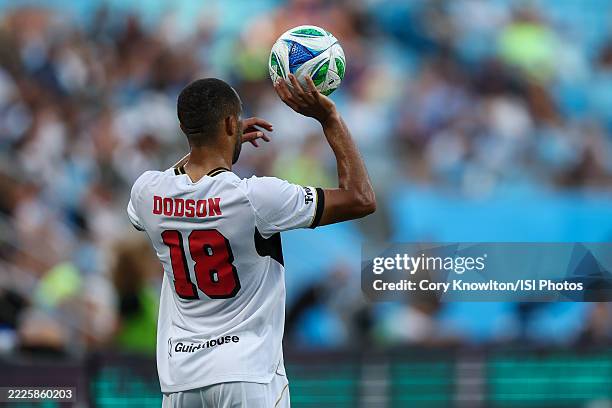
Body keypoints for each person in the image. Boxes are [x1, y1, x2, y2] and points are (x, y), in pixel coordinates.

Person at [127, 73, 376, 407]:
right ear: (232, 124)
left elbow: (178, 184)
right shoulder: (257, 198)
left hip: (181, 378)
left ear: (185, 127)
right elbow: (361, 198)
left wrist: (210, 142)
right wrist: (330, 119)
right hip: (247, 372)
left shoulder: (147, 192)